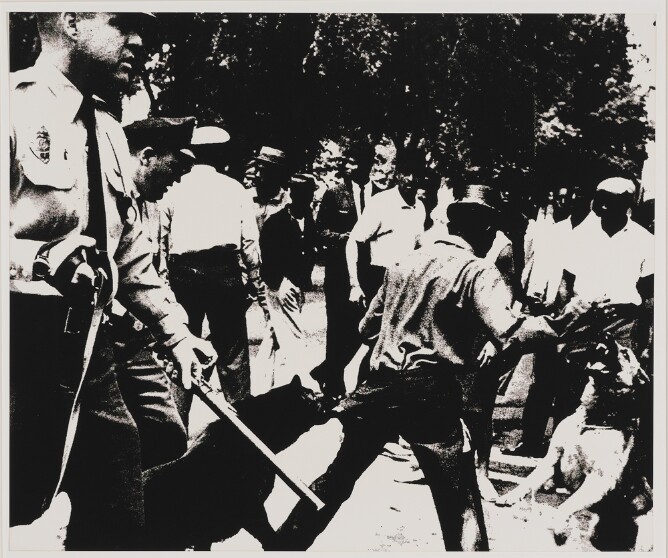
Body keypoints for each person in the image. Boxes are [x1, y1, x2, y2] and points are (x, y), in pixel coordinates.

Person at [268, 183, 593, 551]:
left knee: (336, 480)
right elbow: (510, 333)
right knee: (460, 505)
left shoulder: (401, 264)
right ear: (486, 230)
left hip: (380, 386)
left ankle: (282, 548)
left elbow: (365, 328)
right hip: (429, 393)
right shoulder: (476, 271)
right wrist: (563, 321)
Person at [9, 12, 216, 550]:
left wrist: (178, 334)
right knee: (16, 492)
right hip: (16, 346)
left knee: (119, 501)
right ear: (73, 20)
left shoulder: (107, 129)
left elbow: (129, 254)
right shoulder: (13, 107)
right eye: (123, 23)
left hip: (89, 354)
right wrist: (36, 261)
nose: (140, 41)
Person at [163, 126, 272, 417]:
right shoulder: (233, 188)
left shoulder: (173, 185)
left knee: (182, 348)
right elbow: (250, 243)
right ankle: (243, 426)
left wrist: (163, 279)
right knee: (233, 354)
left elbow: (161, 238)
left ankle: (175, 427)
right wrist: (255, 280)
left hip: (183, 276)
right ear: (221, 154)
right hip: (223, 275)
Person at [113, 116, 197, 469]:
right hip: (94, 335)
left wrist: (181, 332)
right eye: (172, 170)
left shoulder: (153, 208)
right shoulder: (106, 195)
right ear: (146, 156)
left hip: (135, 341)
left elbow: (153, 275)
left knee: (167, 434)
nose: (175, 182)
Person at [504, 185, 591, 457]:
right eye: (562, 194)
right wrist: (534, 298)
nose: (568, 199)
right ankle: (531, 441)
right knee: (542, 380)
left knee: (570, 384)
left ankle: (560, 449)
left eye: (576, 194)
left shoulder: (594, 234)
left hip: (578, 317)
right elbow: (538, 266)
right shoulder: (554, 230)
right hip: (548, 313)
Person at [311, 142, 374, 397]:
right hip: (338, 275)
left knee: (366, 329)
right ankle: (333, 388)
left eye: (353, 161)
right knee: (337, 329)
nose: (347, 166)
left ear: (368, 163)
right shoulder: (333, 194)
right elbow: (319, 232)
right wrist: (347, 238)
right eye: (346, 161)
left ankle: (328, 371)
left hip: (370, 274)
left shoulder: (381, 195)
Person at [346, 146, 426, 306]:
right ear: (397, 174)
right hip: (380, 280)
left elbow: (419, 248)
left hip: (408, 283)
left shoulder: (420, 207)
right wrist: (355, 284)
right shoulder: (381, 203)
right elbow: (353, 242)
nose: (410, 179)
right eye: (405, 173)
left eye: (416, 174)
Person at [259, 174, 318, 387]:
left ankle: (262, 383)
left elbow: (310, 251)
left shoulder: (310, 219)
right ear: (292, 194)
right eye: (300, 193)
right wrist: (281, 283)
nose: (305, 198)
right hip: (279, 285)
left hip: (296, 284)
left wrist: (301, 283)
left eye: (309, 194)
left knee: (274, 333)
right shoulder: (276, 222)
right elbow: (267, 258)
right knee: (294, 337)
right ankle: (302, 384)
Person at [248, 145, 290, 232]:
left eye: (264, 172)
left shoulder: (288, 202)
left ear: (276, 174)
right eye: (257, 170)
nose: (257, 175)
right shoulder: (245, 197)